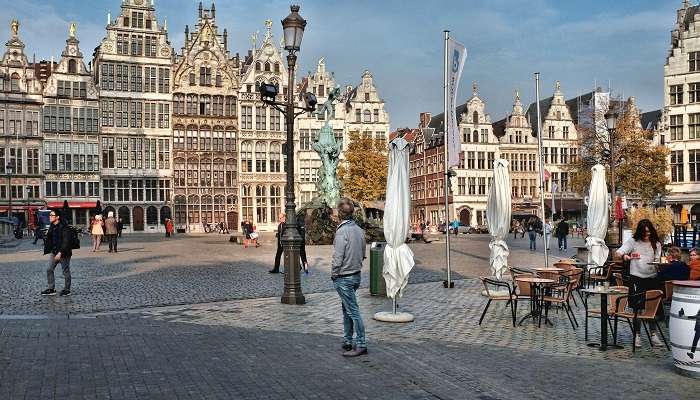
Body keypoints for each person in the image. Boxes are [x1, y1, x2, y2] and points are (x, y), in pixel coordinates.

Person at [616, 219, 664, 348]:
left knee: (652, 307)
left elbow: (657, 259)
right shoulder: (633, 241)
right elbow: (619, 252)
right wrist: (625, 256)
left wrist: (660, 265)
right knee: (638, 308)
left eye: (649, 232)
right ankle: (637, 335)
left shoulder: (656, 243)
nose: (647, 234)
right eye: (644, 232)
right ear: (640, 232)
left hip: (652, 277)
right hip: (637, 277)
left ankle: (653, 335)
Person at [332, 198, 367, 357]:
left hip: (344, 276)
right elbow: (364, 253)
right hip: (356, 275)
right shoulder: (359, 230)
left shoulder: (341, 231)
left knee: (352, 310)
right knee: (347, 308)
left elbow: (338, 257)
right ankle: (347, 340)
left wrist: (334, 273)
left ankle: (361, 343)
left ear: (340, 213)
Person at [41, 210, 73, 297]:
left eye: (52, 215)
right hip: (54, 252)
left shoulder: (64, 227)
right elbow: (50, 240)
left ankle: (67, 289)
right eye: (50, 215)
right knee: (49, 269)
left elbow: (66, 242)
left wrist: (60, 253)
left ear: (57, 217)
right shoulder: (52, 226)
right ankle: (51, 289)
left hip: (64, 252)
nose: (50, 216)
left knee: (65, 271)